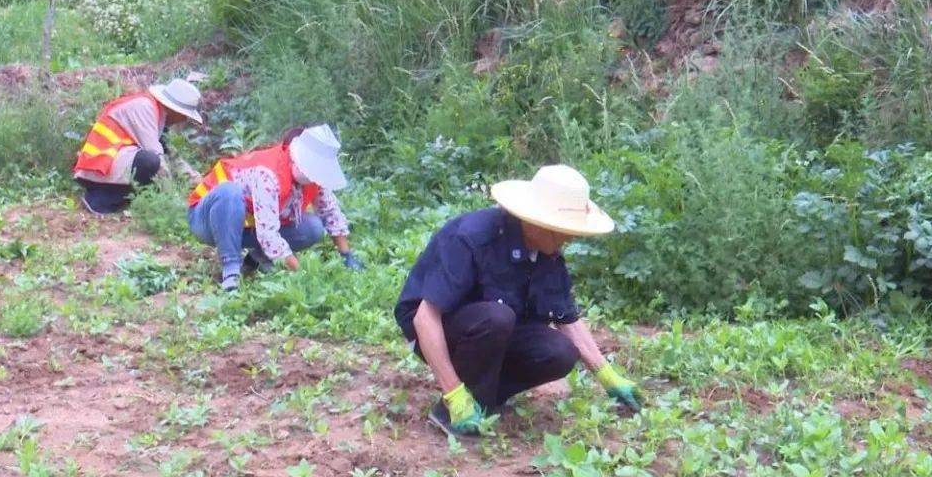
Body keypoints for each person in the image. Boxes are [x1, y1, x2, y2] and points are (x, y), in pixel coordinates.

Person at [395, 164, 642, 437]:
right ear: (535, 220)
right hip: (438, 330)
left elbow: (566, 319)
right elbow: (424, 318)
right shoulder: (473, 237)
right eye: (562, 228)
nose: (570, 237)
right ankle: (451, 408)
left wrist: (607, 375)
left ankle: (482, 397)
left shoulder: (548, 253)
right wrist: (453, 392)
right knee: (497, 318)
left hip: (496, 328)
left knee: (560, 352)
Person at [187, 124, 364, 291]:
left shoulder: (313, 178)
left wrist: (346, 255)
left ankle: (256, 260)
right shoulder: (268, 173)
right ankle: (231, 271)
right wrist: (302, 276)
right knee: (230, 192)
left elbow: (330, 212)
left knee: (313, 228)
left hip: (245, 228)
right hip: (207, 220)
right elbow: (268, 234)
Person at [73, 78, 203, 214]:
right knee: (149, 162)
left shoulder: (156, 114)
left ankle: (110, 198)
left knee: (151, 167)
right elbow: (159, 160)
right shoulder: (145, 108)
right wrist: (172, 199)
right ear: (176, 111)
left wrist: (196, 181)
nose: (184, 120)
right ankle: (101, 200)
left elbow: (171, 154)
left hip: (107, 164)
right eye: (185, 116)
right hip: (99, 165)